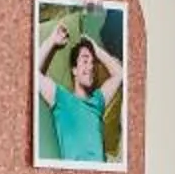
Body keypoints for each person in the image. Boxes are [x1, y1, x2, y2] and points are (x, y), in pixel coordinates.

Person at [36, 16, 123, 164]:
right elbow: (35, 74)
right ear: (74, 70)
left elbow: (119, 74)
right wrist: (52, 42)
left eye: (93, 63)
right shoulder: (61, 98)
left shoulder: (98, 101)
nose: (90, 67)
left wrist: (96, 50)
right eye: (84, 60)